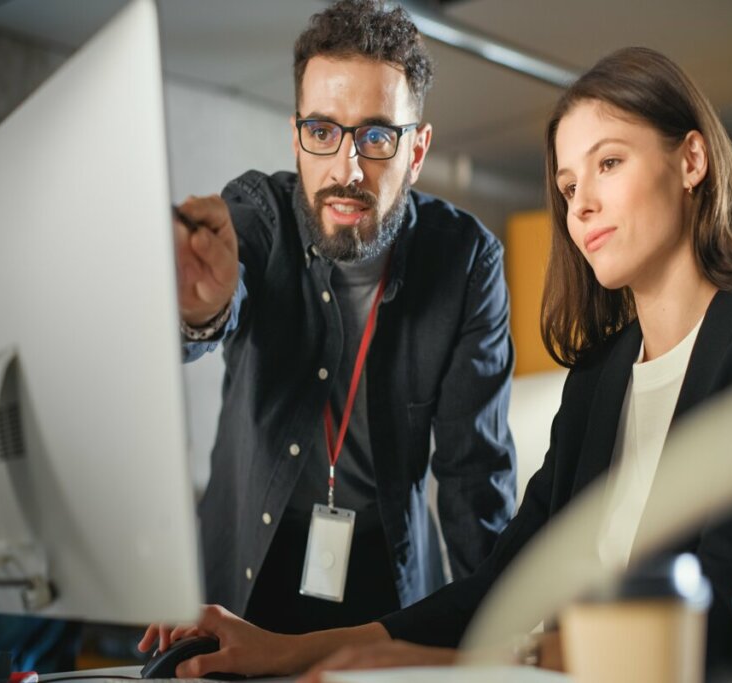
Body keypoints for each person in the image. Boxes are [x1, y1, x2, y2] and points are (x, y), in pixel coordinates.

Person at [140, 47, 732, 681]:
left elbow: (721, 625)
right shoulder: (600, 379)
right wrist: (283, 650)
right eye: (568, 181)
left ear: (692, 159)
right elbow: (501, 586)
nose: (580, 205)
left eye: (608, 164)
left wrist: (467, 662)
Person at [161, 0, 516, 636]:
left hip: (388, 575)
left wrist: (499, 635)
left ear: (417, 150)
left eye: (376, 136)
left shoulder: (466, 262)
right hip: (247, 567)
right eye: (322, 132)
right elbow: (219, 297)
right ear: (295, 132)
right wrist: (201, 311)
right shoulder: (256, 212)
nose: (345, 170)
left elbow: (475, 476)